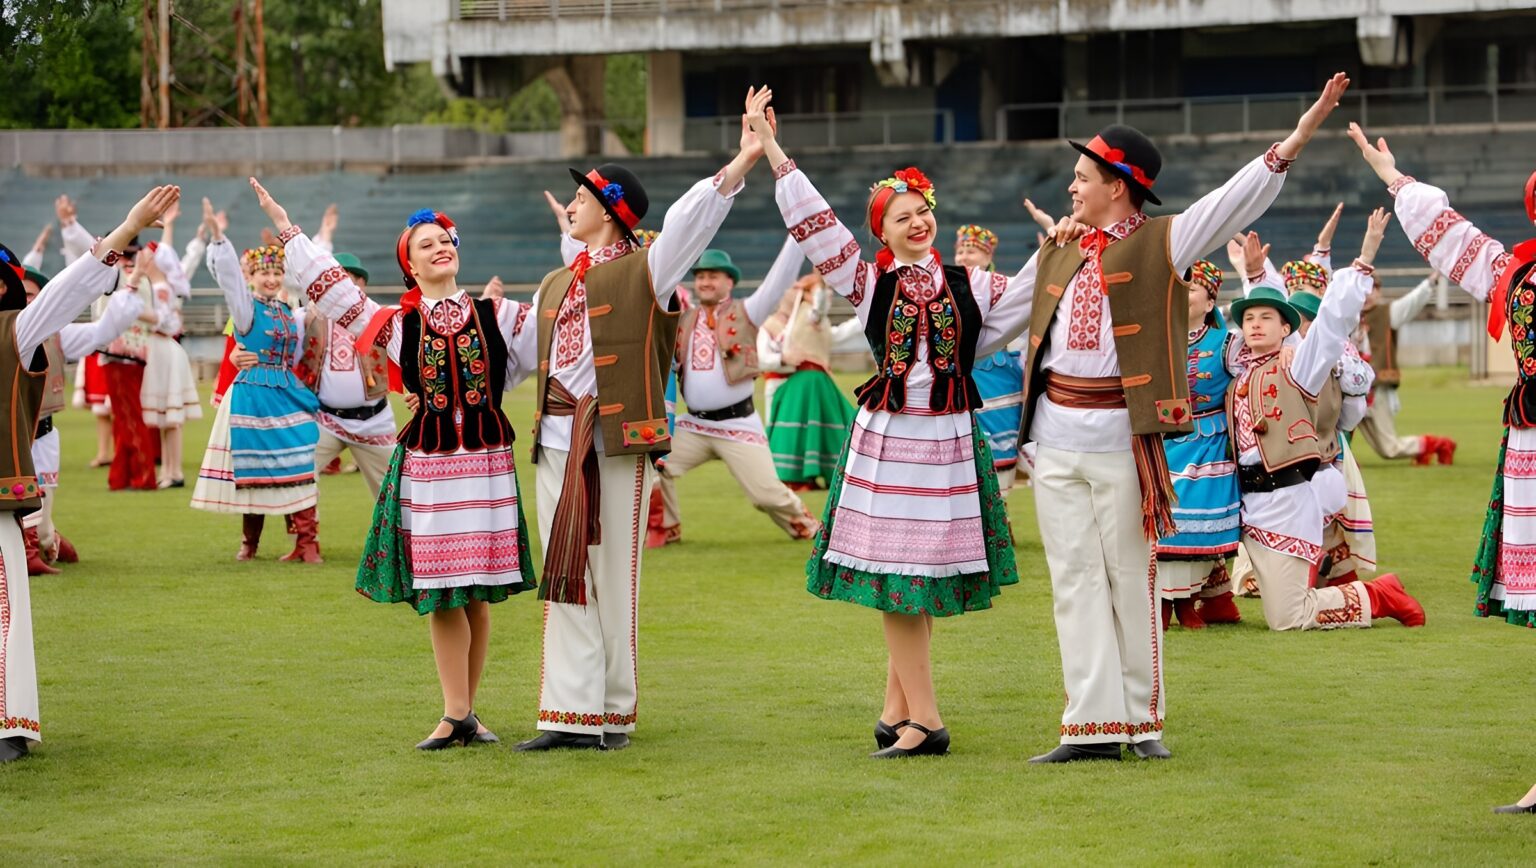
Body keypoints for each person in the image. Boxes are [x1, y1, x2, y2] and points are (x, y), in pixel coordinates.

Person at [1005, 75, 1354, 764]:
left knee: (1130, 577)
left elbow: (1232, 199)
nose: (1071, 187)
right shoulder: (1059, 246)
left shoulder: (1164, 241)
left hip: (1121, 437)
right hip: (1054, 439)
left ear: (1118, 186)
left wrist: (1299, 133)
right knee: (1073, 582)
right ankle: (1088, 726)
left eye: (1082, 177)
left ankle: (1140, 721)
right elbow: (1000, 316)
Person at [752, 93, 1020, 759]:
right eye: (903, 216)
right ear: (883, 232)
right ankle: (908, 712)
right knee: (899, 577)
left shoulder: (972, 284)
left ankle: (916, 718)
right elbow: (816, 226)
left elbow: (1033, 294)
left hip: (948, 439)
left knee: (915, 576)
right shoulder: (869, 282)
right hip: (890, 440)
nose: (918, 222)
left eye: (923, 211)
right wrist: (773, 150)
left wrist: (1069, 236)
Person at [512, 91, 768, 754]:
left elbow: (688, 223)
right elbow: (523, 355)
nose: (572, 204)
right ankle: (568, 714)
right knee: (565, 570)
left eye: (582, 197)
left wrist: (744, 158)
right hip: (556, 440)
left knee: (613, 576)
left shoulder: (646, 269)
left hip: (617, 441)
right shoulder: (556, 282)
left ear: (609, 210)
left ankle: (613, 711)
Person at [267, 180, 541, 750]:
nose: (439, 248)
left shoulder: (501, 314)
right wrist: (289, 230)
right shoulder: (395, 325)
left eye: (444, 240)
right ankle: (456, 713)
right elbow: (333, 290)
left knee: (476, 591)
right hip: (433, 471)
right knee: (443, 588)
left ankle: (465, 715)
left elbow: (555, 329)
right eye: (425, 245)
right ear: (410, 266)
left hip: (486, 466)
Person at [0, 184, 181, 764]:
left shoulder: (15, 331)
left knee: (4, 616)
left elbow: (66, 291)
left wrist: (127, 230)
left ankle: (8, 725)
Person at [1349, 121, 1536, 627]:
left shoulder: (1514, 274)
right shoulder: (1515, 273)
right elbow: (1453, 236)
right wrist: (1393, 178)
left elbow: (1455, 238)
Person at [1224, 209, 1424, 632]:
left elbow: (1330, 325)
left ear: (1287, 329)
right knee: (1264, 600)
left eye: (1266, 319)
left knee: (1287, 617)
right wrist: (1254, 274)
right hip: (1244, 505)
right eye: (1248, 319)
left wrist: (1364, 260)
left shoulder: (1298, 367)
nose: (1255, 325)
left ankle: (1378, 595)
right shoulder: (1238, 371)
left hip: (1284, 500)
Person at [654, 243, 820, 542]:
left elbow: (779, 280)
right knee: (652, 463)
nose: (705, 282)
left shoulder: (748, 312)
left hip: (738, 425)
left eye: (713, 276)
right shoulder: (683, 321)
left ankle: (809, 527)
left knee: (766, 496)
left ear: (729, 282)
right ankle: (668, 528)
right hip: (695, 424)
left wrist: (797, 240)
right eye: (701, 276)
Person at [191, 198, 323, 564]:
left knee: (300, 459)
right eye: (264, 273)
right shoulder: (246, 310)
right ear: (251, 276)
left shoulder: (287, 311)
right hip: (253, 394)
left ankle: (307, 542)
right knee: (255, 466)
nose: (271, 279)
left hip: (285, 391)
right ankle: (250, 543)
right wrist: (218, 239)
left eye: (276, 273)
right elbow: (230, 284)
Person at [14, 263, 141, 574]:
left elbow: (102, 331)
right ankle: (26, 556)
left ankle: (49, 540)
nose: (28, 301)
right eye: (22, 294)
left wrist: (132, 288)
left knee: (40, 527)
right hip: (9, 440)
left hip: (42, 436)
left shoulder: (58, 336)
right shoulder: (6, 331)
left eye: (33, 295)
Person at [1154, 259, 1243, 629]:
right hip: (1163, 443)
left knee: (1193, 524)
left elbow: (1251, 380)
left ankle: (1187, 602)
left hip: (1208, 443)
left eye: (1191, 289)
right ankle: (1162, 602)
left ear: (1209, 303)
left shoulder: (1227, 344)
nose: (1183, 294)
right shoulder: (1157, 339)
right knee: (1162, 525)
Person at [759, 269, 859, 489]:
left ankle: (818, 474)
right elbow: (763, 359)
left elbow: (835, 333)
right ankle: (789, 476)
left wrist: (867, 316)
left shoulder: (811, 321)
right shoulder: (777, 324)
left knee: (809, 427)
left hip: (804, 382)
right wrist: (783, 359)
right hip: (781, 383)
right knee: (786, 432)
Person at [954, 224, 1027, 494]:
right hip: (965, 377)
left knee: (1000, 452)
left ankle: (1000, 507)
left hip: (998, 379)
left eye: (971, 251)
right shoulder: (951, 287)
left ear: (987, 256)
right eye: (960, 251)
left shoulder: (1004, 287)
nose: (964, 256)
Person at [1356, 272, 1455, 465]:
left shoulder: (1387, 312)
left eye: (1371, 289)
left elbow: (1412, 302)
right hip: (1348, 387)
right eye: (1361, 290)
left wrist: (1431, 282)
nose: (1366, 295)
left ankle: (1433, 445)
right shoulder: (1348, 314)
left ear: (1378, 291)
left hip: (1375, 387)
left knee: (1388, 448)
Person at [135, 241, 201, 489]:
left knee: (171, 417)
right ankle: (169, 470)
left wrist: (135, 312)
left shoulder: (160, 288)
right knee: (166, 416)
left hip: (162, 349)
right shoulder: (158, 287)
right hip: (160, 349)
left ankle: (174, 470)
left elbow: (162, 320)